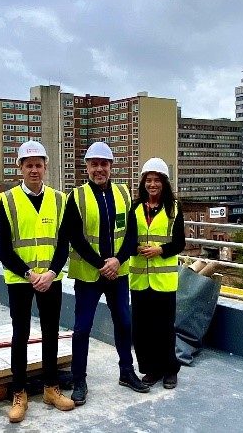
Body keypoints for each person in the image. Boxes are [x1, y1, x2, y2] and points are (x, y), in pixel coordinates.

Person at [63, 141, 149, 406]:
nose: (99, 169)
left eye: (104, 164)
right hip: (90, 275)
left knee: (124, 322)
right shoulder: (76, 197)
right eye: (94, 164)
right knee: (82, 328)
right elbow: (74, 237)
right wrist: (102, 263)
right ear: (86, 167)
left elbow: (131, 233)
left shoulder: (124, 193)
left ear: (111, 166)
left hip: (118, 273)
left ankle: (126, 371)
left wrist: (118, 260)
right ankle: (79, 380)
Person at [0, 140, 75, 423]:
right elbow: (2, 248)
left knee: (51, 333)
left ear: (45, 167)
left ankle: (51, 389)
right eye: (29, 165)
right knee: (21, 335)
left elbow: (63, 243)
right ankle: (19, 394)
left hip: (51, 279)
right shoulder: (8, 200)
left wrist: (51, 273)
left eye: (38, 165)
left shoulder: (59, 199)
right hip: (21, 280)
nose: (34, 170)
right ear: (20, 168)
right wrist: (29, 275)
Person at [127, 157, 185, 389]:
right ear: (143, 183)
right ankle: (150, 369)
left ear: (164, 183)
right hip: (140, 279)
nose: (152, 184)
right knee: (141, 329)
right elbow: (127, 239)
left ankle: (169, 369)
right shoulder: (134, 207)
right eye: (148, 180)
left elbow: (179, 242)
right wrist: (137, 248)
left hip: (163, 280)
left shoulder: (174, 209)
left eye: (157, 180)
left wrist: (161, 249)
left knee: (164, 328)